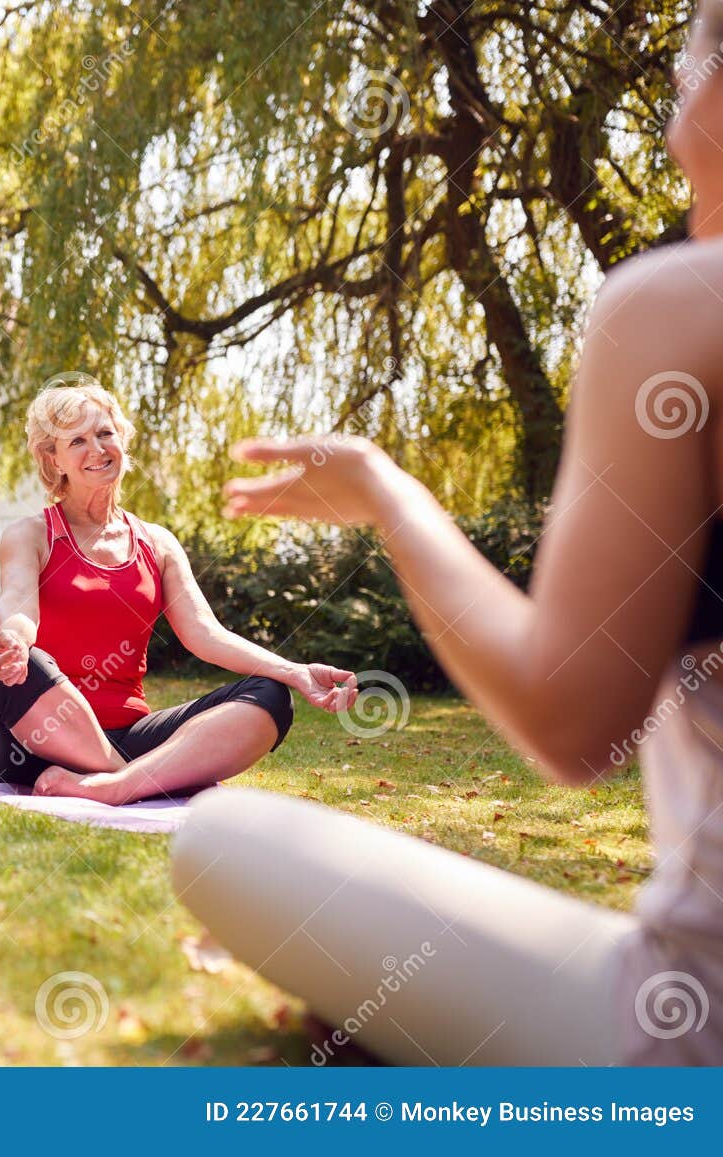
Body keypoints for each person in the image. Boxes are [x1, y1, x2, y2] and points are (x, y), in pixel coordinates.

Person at [172, 10, 723, 1065]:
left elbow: (570, 718)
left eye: (694, 54)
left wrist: (389, 495)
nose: (666, 117)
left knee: (223, 838)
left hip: (690, 1031)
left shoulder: (670, 315)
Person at [0, 381, 360, 805]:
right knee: (24, 667)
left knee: (270, 697)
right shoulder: (32, 534)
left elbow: (205, 634)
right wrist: (12, 639)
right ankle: (126, 776)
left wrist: (293, 671)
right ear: (54, 458)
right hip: (35, 744)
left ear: (121, 438)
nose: (97, 449)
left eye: (105, 433)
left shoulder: (156, 543)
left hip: (130, 737)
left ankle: (117, 784)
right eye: (77, 441)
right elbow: (18, 605)